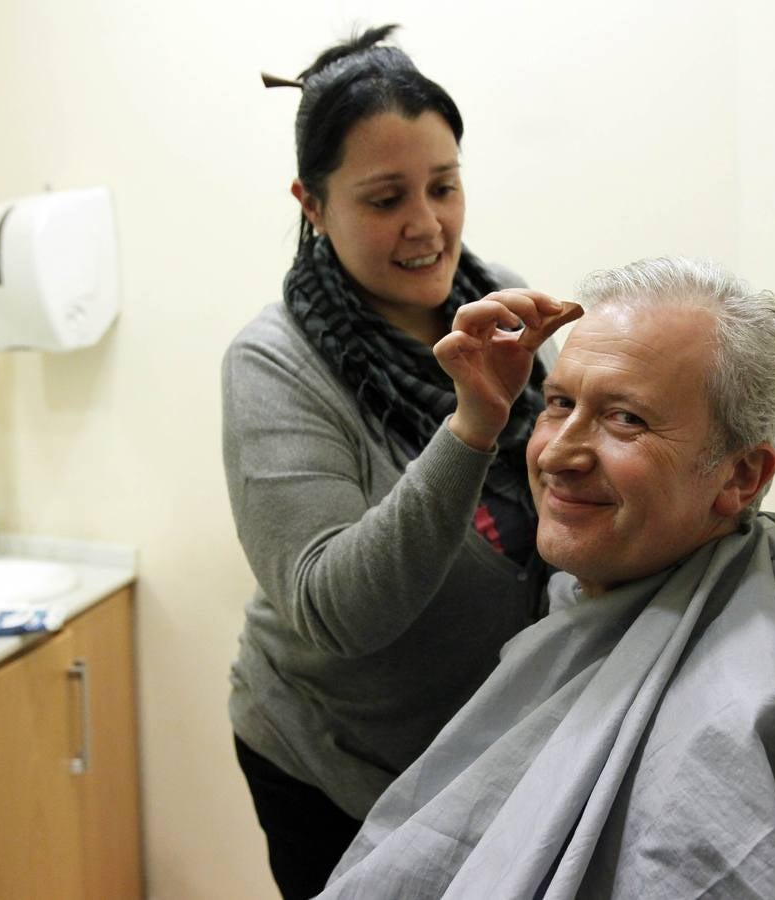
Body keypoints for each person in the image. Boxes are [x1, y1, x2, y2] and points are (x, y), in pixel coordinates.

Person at [317, 257, 775, 899]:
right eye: (559, 403)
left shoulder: (748, 724)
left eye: (626, 419)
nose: (556, 453)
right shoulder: (600, 593)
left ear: (741, 476)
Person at [222, 25, 579, 899]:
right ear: (312, 203)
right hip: (334, 764)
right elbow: (335, 609)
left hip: (485, 749)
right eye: (385, 199)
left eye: (444, 187)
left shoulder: (504, 311)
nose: (427, 227)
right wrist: (471, 426)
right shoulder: (273, 366)